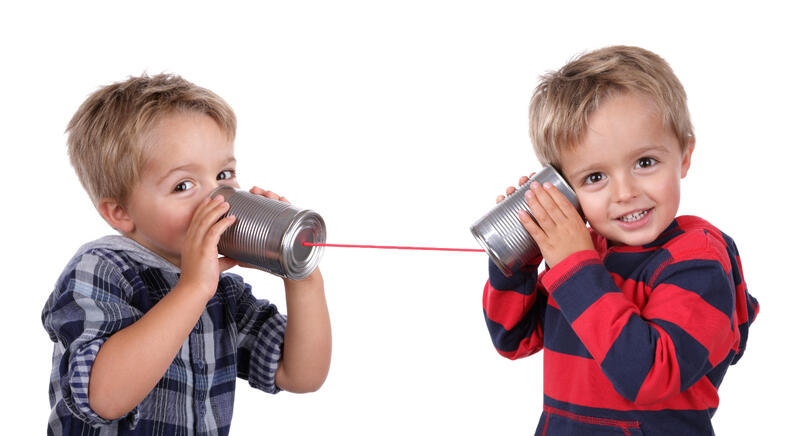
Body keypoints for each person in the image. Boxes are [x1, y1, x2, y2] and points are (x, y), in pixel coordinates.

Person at [482, 46, 758, 435]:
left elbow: (648, 375)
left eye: (645, 162)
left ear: (684, 154)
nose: (625, 192)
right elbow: (513, 339)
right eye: (595, 177)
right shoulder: (584, 255)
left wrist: (574, 267)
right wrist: (520, 255)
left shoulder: (698, 261)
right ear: (567, 190)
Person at [42, 74, 331, 435]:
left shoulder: (222, 291)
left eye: (224, 174)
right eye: (183, 185)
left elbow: (300, 374)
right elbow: (103, 398)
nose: (217, 198)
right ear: (121, 213)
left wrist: (301, 276)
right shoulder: (102, 268)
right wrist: (193, 289)